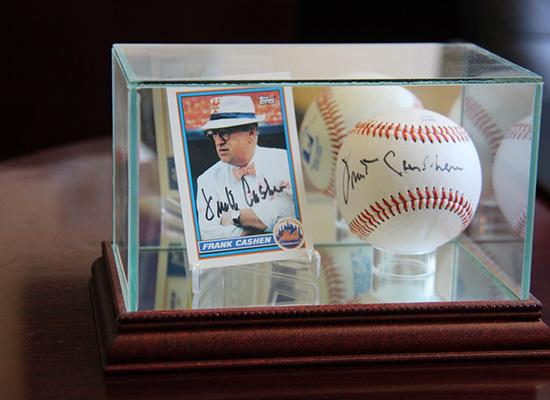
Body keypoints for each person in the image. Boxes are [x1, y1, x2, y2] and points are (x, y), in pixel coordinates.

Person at [195, 95, 296, 241]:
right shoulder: (207, 180)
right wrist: (265, 224)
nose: (218, 141)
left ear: (251, 132)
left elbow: (292, 215)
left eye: (224, 132)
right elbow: (210, 236)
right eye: (214, 133)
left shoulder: (284, 161)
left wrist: (233, 216)